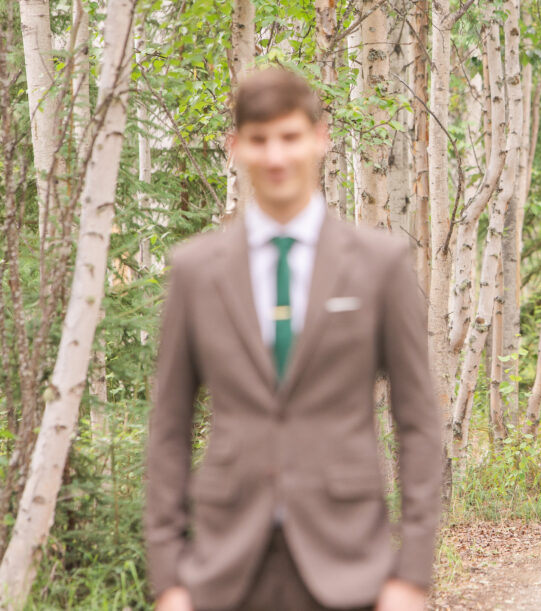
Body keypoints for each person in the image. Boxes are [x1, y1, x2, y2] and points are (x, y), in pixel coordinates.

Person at [144, 67, 443, 611]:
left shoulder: (380, 266)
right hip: (224, 566)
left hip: (349, 560)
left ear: (320, 138)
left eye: (289, 137)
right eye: (259, 140)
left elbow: (418, 422)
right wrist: (169, 580)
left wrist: (413, 575)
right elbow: (169, 427)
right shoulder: (195, 272)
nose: (276, 157)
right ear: (235, 147)